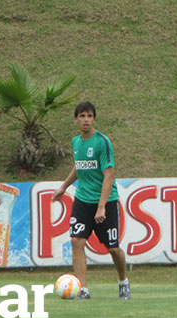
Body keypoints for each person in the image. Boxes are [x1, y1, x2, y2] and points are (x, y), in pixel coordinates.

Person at [52, 101, 130, 300]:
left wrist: (102, 206)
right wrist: (64, 186)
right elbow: (79, 167)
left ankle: (123, 281)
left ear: (94, 118)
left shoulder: (102, 142)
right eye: (82, 116)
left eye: (89, 116)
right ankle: (83, 289)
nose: (85, 120)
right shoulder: (76, 142)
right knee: (77, 241)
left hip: (106, 202)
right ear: (76, 119)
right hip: (82, 201)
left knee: (113, 248)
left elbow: (109, 175)